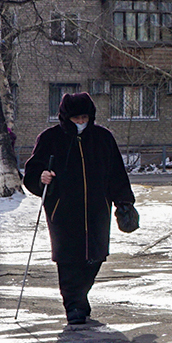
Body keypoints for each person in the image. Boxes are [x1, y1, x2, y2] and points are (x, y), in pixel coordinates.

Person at [23, 92, 137, 325]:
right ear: (66, 118)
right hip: (63, 212)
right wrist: (41, 177)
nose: (81, 123)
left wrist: (124, 202)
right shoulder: (50, 138)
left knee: (95, 257)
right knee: (68, 260)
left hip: (97, 210)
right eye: (76, 119)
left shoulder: (103, 138)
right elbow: (32, 172)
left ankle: (80, 298)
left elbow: (116, 172)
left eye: (85, 117)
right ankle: (73, 305)